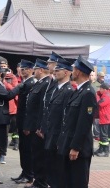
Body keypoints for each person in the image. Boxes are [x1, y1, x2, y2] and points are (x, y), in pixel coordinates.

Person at [57, 55, 97, 188]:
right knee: (67, 182)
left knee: (78, 183)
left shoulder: (88, 93)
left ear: (79, 72)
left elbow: (84, 124)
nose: (72, 72)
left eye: (74, 69)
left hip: (79, 149)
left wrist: (75, 147)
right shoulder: (78, 91)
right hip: (69, 144)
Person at [44, 58, 74, 188]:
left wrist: (60, 140)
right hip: (51, 134)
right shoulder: (56, 88)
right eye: (54, 70)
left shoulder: (68, 91)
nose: (55, 72)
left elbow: (65, 118)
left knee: (58, 173)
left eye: (58, 70)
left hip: (58, 138)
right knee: (51, 171)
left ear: (67, 72)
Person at [22, 58, 50, 188]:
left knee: (39, 156)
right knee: (35, 155)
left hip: (36, 125)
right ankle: (37, 181)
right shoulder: (39, 83)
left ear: (41, 70)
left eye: (36, 69)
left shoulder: (45, 84)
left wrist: (39, 126)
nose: (34, 71)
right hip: (33, 124)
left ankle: (40, 182)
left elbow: (41, 108)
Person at [11, 60, 35, 184]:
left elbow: (30, 107)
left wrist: (27, 124)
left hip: (26, 123)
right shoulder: (25, 82)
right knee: (22, 148)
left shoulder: (31, 83)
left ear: (31, 70)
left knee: (27, 149)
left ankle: (29, 174)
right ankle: (24, 172)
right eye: (21, 68)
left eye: (25, 69)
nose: (22, 71)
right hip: (21, 120)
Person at [95, 83, 110, 157]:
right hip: (103, 117)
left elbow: (100, 103)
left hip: (105, 117)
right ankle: (101, 148)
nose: (100, 90)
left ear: (104, 89)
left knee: (104, 135)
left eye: (101, 89)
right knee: (102, 135)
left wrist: (97, 96)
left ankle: (106, 151)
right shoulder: (104, 95)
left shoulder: (107, 96)